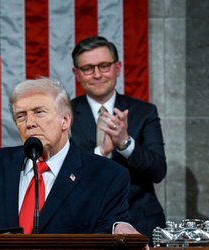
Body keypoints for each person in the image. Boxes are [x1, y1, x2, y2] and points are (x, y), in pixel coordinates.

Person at [0, 77, 139, 235]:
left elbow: (112, 225)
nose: (29, 123)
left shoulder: (106, 175)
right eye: (21, 116)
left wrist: (120, 227)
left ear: (65, 120)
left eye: (39, 112)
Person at [70, 36, 167, 241]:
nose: (97, 74)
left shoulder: (144, 112)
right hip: (83, 224)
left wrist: (125, 143)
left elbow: (158, 171)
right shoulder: (65, 114)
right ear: (76, 74)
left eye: (104, 66)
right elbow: (61, 172)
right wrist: (100, 154)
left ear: (118, 67)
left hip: (140, 222)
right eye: (87, 68)